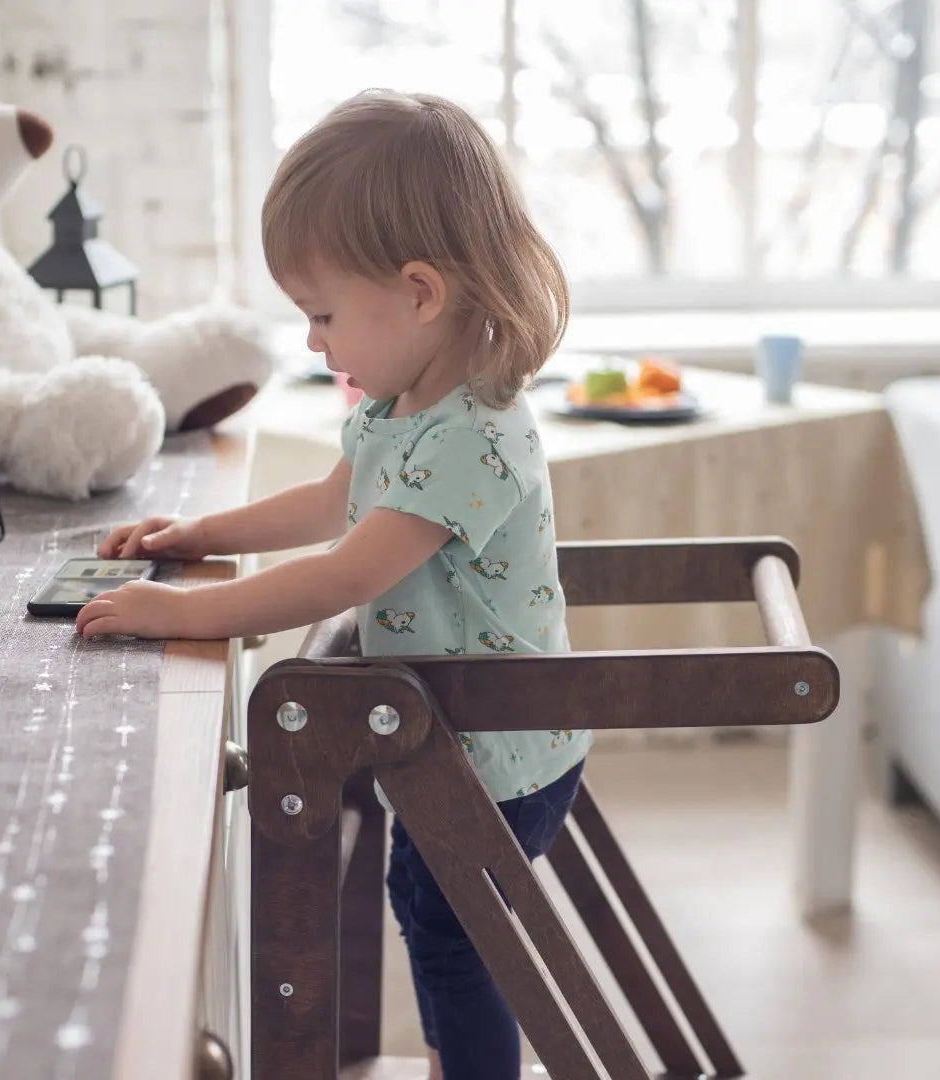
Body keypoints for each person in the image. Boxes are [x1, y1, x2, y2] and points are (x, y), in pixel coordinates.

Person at [78, 89, 593, 1080]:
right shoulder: (403, 407)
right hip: (466, 742)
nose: (315, 342)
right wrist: (197, 532)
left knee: (454, 942)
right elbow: (326, 504)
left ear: (419, 292)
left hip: (501, 756)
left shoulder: (470, 436)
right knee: (428, 913)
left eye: (323, 314)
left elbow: (343, 573)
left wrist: (181, 613)